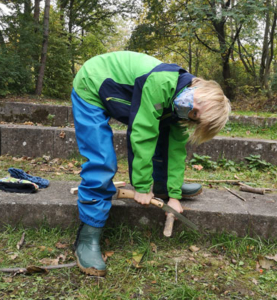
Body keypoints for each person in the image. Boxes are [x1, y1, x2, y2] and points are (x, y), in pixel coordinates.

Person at [71, 51, 231, 276]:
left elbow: (176, 151)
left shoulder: (181, 109)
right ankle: (88, 235)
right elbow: (142, 134)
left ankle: (163, 187)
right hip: (93, 83)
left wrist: (174, 195)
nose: (190, 112)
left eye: (194, 116)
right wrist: (142, 187)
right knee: (102, 160)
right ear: (199, 88)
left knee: (166, 142)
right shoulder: (162, 82)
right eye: (195, 107)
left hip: (123, 94)